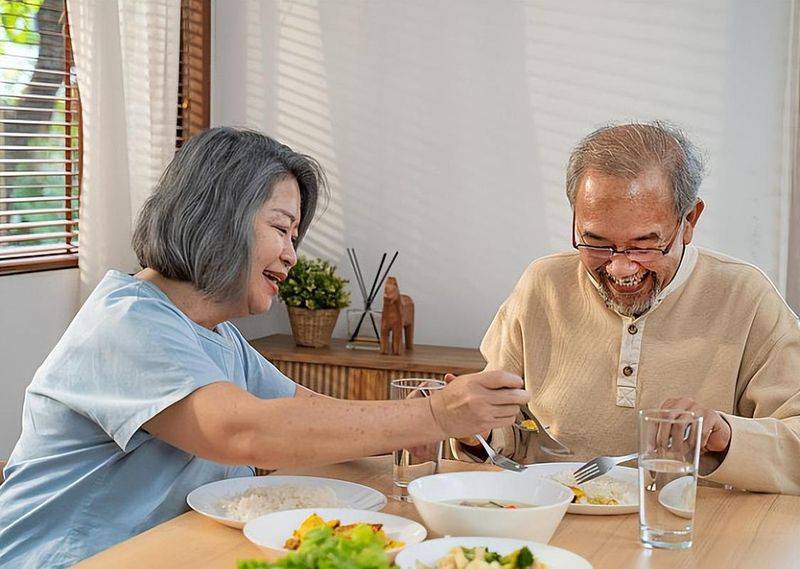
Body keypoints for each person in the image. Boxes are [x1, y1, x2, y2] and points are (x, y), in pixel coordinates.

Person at [0, 127, 530, 568]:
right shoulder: (126, 322)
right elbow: (247, 432)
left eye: (294, 236)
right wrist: (434, 415)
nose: (292, 255)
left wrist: (415, 422)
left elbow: (302, 412)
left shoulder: (214, 334)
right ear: (218, 217)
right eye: (281, 228)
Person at [458, 122, 800, 495]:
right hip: (551, 515)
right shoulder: (543, 284)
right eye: (596, 242)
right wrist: (475, 431)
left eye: (643, 245)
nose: (620, 268)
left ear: (689, 221)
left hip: (688, 524)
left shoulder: (746, 296)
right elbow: (509, 429)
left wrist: (728, 436)